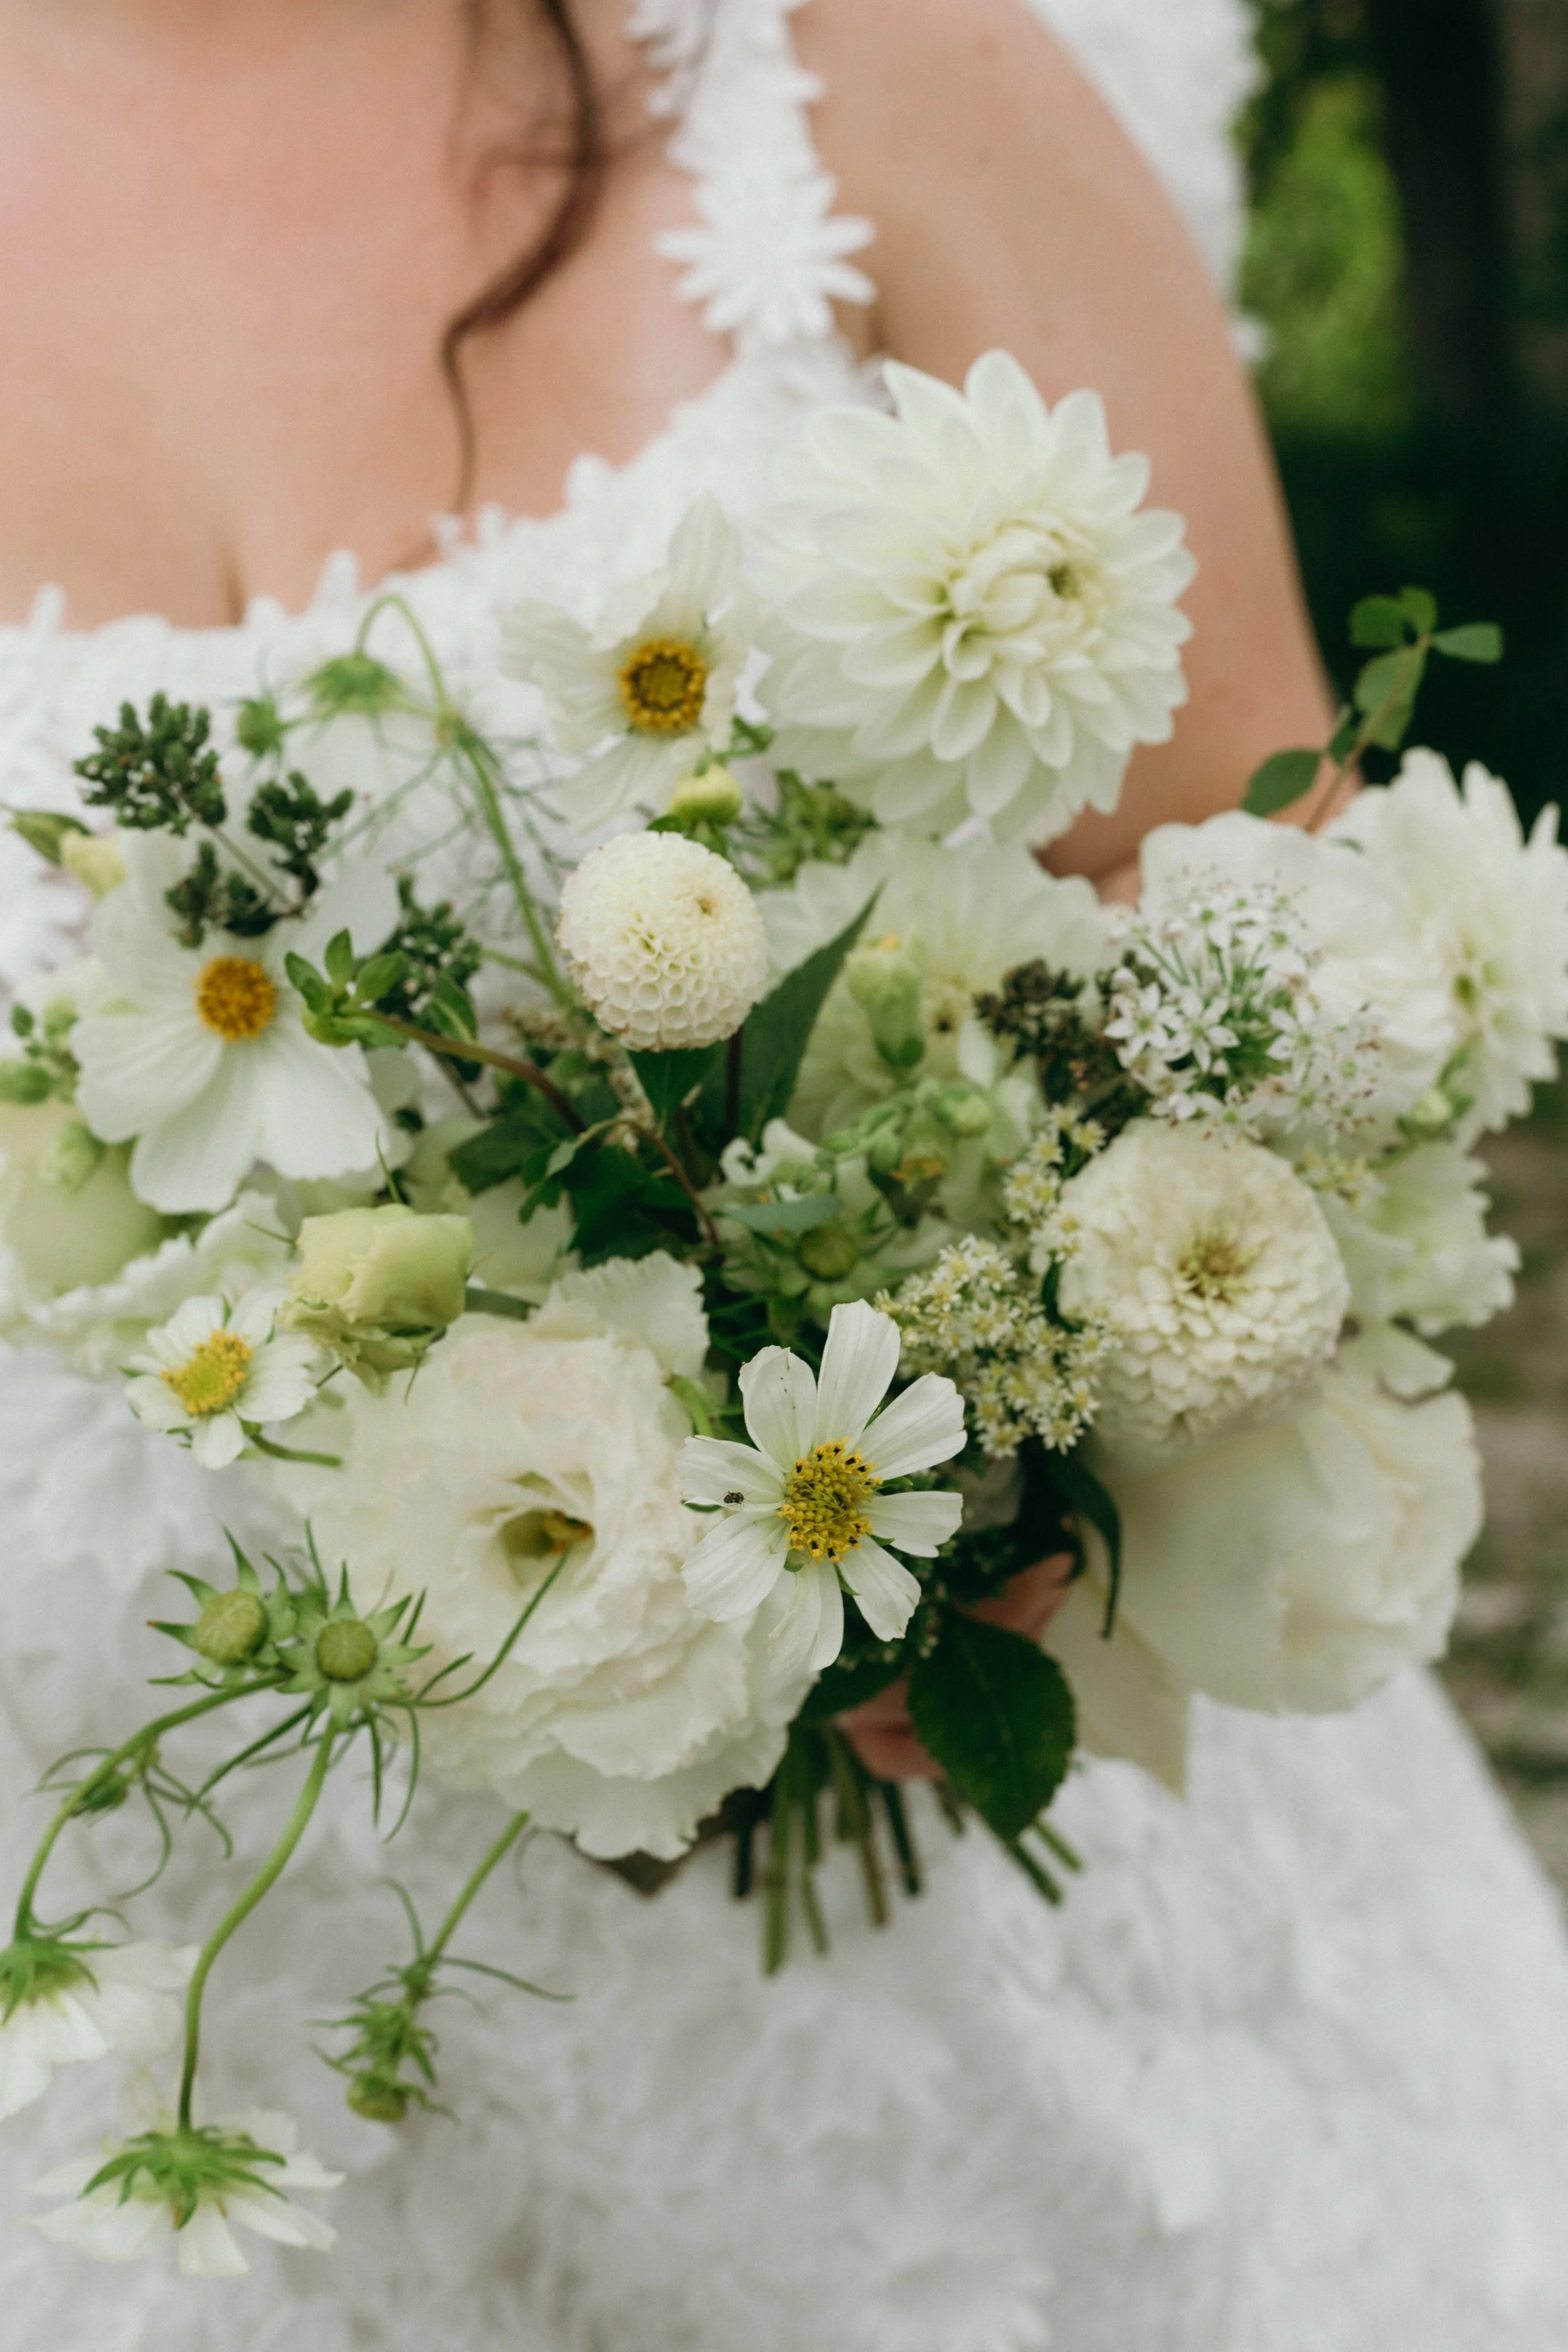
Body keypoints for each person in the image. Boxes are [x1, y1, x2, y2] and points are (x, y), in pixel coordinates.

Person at [0, 4, 1565, 2346]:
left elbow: (1265, 875)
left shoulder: (842, 59)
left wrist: (1026, 1440)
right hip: (154, 1964)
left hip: (938, 1935)